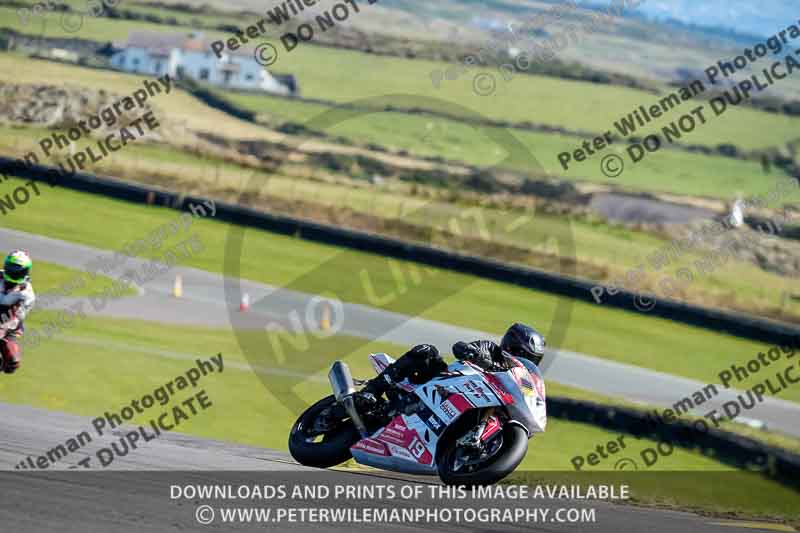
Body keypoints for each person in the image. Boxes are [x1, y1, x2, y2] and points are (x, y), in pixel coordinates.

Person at [361, 323, 545, 400]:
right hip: (445, 385)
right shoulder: (490, 349)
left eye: (532, 359)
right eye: (523, 354)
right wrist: (473, 354)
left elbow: (529, 399)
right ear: (511, 347)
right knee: (427, 351)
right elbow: (462, 348)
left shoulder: (525, 381)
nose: (525, 361)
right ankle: (370, 392)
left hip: (473, 401)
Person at [0, 250, 35, 374]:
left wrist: (2, 329)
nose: (13, 273)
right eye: (11, 268)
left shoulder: (27, 295)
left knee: (12, 362)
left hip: (10, 324)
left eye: (17, 270)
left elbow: (16, 317)